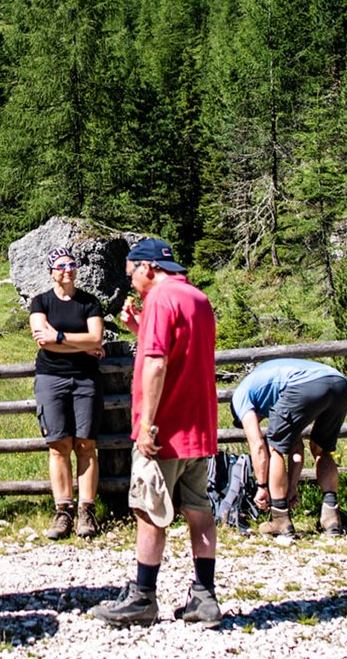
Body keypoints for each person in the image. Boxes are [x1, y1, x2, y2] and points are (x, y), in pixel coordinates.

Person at [90, 237, 221, 629]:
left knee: (149, 510)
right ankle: (205, 596)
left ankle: (143, 596)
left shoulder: (160, 300)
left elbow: (158, 363)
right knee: (199, 510)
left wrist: (147, 423)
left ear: (148, 267)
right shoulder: (196, 298)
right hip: (200, 427)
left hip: (166, 428)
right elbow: (183, 350)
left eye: (132, 274)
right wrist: (139, 326)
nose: (132, 283)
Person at [27, 246, 105, 540]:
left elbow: (96, 337)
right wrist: (82, 343)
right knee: (58, 444)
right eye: (60, 266)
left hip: (86, 379)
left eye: (71, 264)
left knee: (86, 444)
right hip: (51, 378)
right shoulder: (41, 302)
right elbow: (42, 341)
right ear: (51, 272)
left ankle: (87, 510)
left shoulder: (89, 302)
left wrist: (59, 336)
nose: (67, 269)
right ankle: (63, 511)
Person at [230, 358, 347, 537]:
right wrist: (292, 486)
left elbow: (258, 445)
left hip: (304, 386)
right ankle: (331, 517)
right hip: (340, 384)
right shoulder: (269, 392)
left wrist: (262, 487)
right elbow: (296, 448)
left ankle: (280, 518)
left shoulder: (241, 396)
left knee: (275, 448)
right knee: (321, 449)